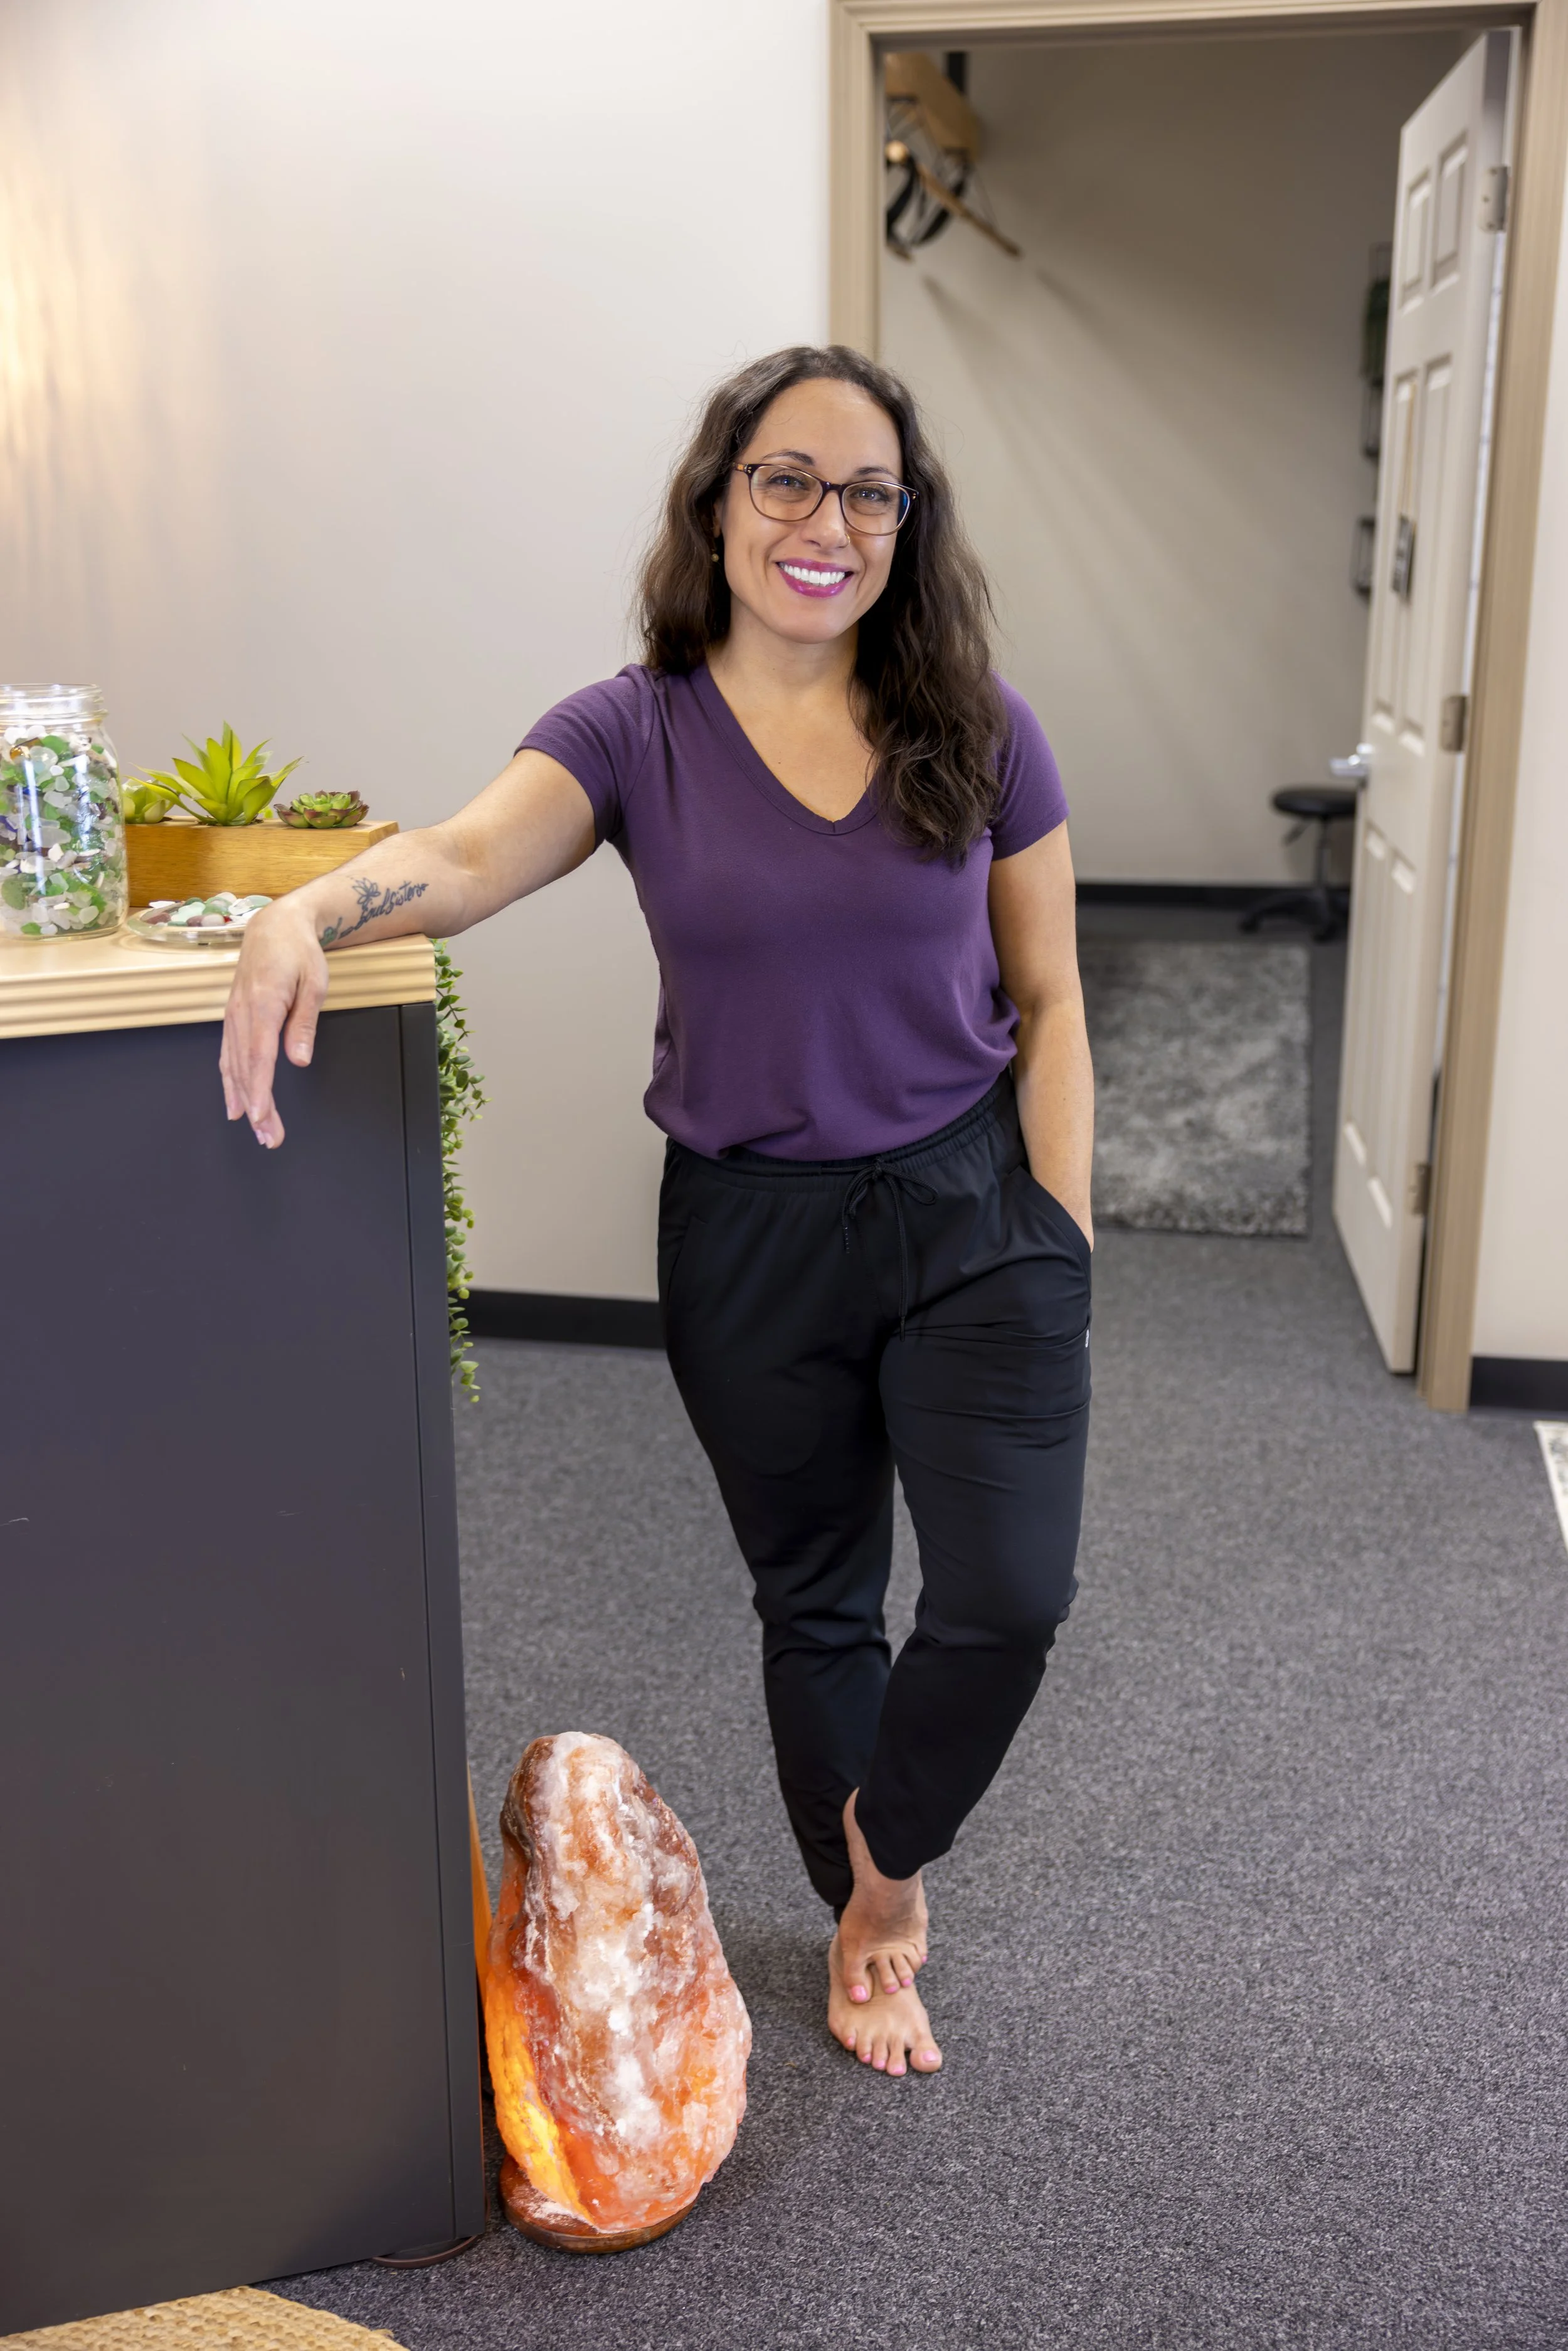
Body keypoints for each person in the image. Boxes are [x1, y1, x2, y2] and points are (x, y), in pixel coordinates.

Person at [221, 345, 1094, 2082]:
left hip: (969, 1205)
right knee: (819, 1599)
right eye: (787, 479)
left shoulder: (978, 728)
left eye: (867, 491)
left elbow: (1052, 999)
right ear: (718, 502)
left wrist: (1059, 1236)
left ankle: (886, 1851)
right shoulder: (634, 727)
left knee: (1010, 1590)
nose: (824, 522)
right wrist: (307, 908)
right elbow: (467, 859)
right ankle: (874, 1909)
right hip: (748, 1234)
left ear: (905, 529)